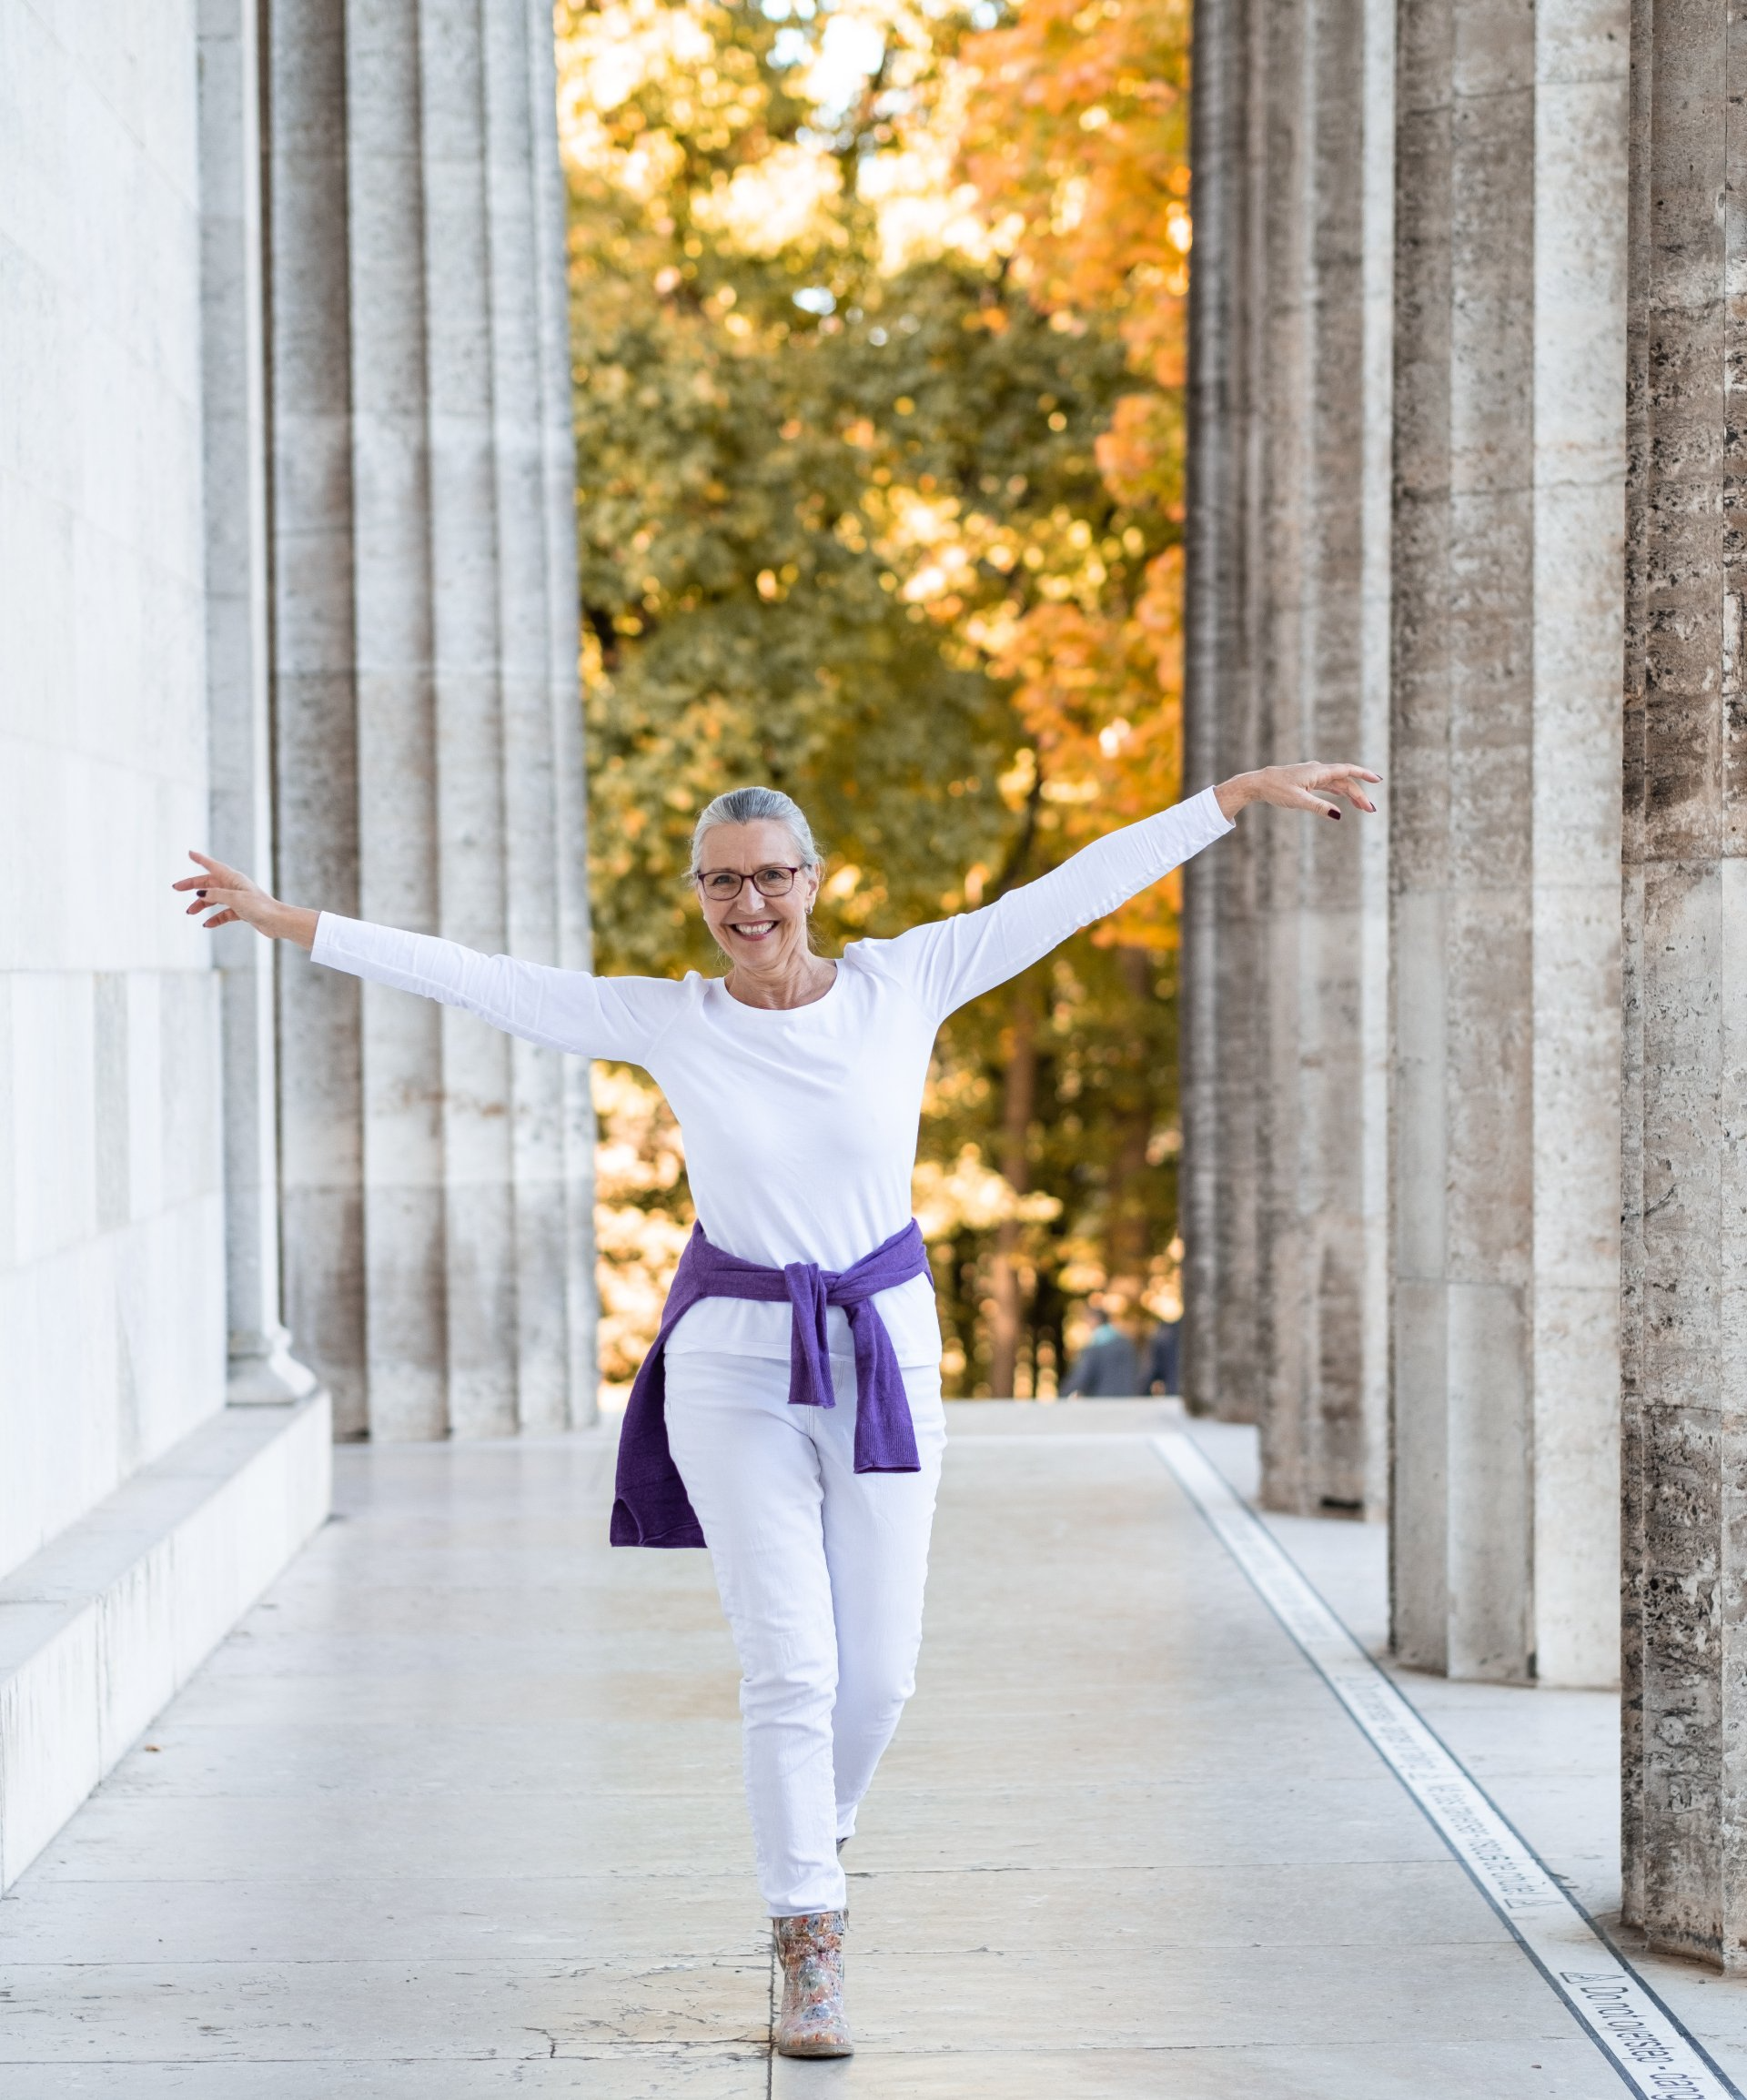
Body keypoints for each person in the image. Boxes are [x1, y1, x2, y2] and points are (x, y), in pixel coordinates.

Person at [173, 758, 1378, 2057]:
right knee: (792, 1665)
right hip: (734, 1365)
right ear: (701, 895)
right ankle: (809, 1933)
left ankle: (815, 1833)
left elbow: (1071, 894)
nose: (748, 903)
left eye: (769, 877)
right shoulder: (674, 1019)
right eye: (722, 882)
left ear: (814, 880)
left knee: (881, 1676)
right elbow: (485, 981)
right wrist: (290, 921)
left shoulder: (905, 980)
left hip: (882, 1350)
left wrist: (1231, 798)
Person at [1059, 1300, 1142, 1397]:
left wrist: (1062, 1394)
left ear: (1094, 1320)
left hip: (1102, 1401)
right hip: (1127, 1400)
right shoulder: (1127, 1344)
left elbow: (1081, 1378)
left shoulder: (1095, 1347)